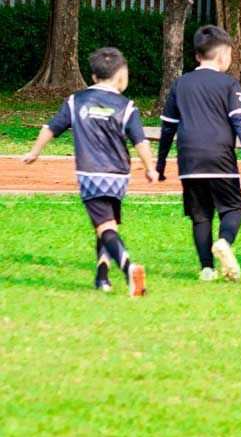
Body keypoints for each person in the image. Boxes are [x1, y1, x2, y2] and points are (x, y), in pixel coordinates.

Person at [22, 47, 154, 297]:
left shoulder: (76, 101)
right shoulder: (126, 106)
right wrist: (149, 168)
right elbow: (141, 142)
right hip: (118, 177)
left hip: (91, 176)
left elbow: (50, 128)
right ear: (121, 75)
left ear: (93, 77)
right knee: (107, 225)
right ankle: (102, 278)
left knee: (105, 227)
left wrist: (34, 152)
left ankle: (128, 269)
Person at [157, 25, 241, 282]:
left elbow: (168, 127)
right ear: (224, 56)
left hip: (189, 158)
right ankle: (224, 242)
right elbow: (240, 123)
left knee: (200, 214)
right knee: (233, 207)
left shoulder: (180, 84)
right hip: (220, 156)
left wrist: (160, 164)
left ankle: (206, 268)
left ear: (196, 56)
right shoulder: (229, 83)